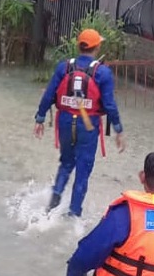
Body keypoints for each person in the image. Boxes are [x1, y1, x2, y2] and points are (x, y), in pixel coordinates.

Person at [34, 28, 126, 217]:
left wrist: (40, 118)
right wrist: (118, 130)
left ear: (79, 46)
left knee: (66, 163)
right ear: (97, 46)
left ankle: (53, 201)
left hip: (66, 122)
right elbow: (109, 105)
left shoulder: (64, 67)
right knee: (83, 171)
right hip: (89, 125)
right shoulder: (103, 73)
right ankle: (73, 215)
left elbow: (49, 95)